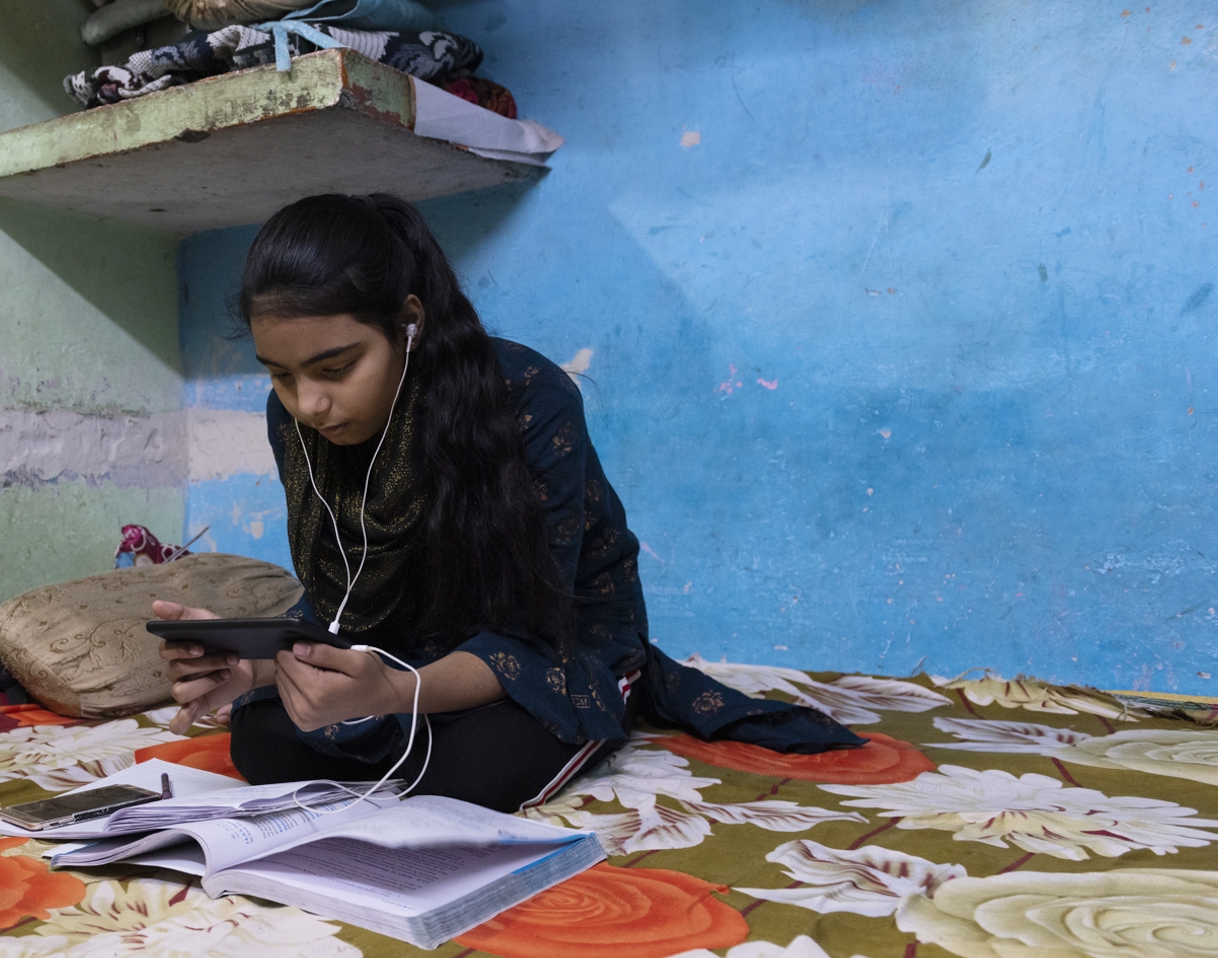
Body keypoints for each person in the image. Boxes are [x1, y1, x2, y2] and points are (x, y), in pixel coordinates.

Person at [155, 193, 861, 812]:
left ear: (409, 323)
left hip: (550, 636)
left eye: (336, 368)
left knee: (477, 770)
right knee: (264, 742)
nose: (309, 403)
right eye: (280, 376)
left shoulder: (525, 400)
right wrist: (257, 664)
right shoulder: (297, 425)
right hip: (392, 649)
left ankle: (579, 700)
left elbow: (534, 629)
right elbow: (343, 602)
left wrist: (392, 694)